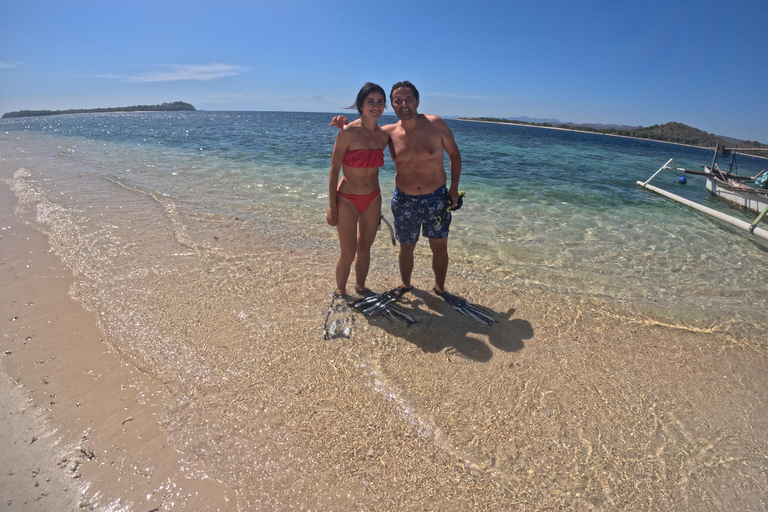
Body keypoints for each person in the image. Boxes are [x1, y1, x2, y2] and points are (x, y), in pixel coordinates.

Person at [332, 80, 462, 295]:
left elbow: (455, 156)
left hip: (437, 197)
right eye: (398, 101)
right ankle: (405, 285)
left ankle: (440, 288)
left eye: (408, 99)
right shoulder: (388, 133)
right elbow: (363, 142)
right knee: (406, 247)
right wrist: (345, 126)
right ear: (392, 105)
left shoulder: (435, 124)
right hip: (404, 199)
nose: (404, 104)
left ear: (418, 101)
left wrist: (454, 189)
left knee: (439, 247)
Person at [326, 82, 389, 296]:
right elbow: (334, 170)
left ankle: (361, 289)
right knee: (348, 253)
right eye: (370, 101)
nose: (376, 106)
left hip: (373, 198)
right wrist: (332, 206)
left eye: (380, 102)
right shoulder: (347, 132)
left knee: (365, 250)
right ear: (361, 105)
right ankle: (341, 293)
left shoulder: (384, 136)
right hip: (347, 199)